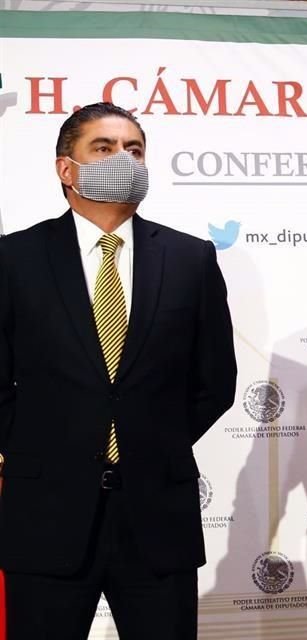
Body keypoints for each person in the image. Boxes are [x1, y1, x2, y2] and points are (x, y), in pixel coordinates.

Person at [0, 102, 238, 639]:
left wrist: (152, 439)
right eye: (104, 149)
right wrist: (44, 447)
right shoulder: (14, 259)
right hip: (46, 515)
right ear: (67, 169)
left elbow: (214, 382)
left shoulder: (190, 259)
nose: (123, 159)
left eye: (134, 149)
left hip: (158, 516)